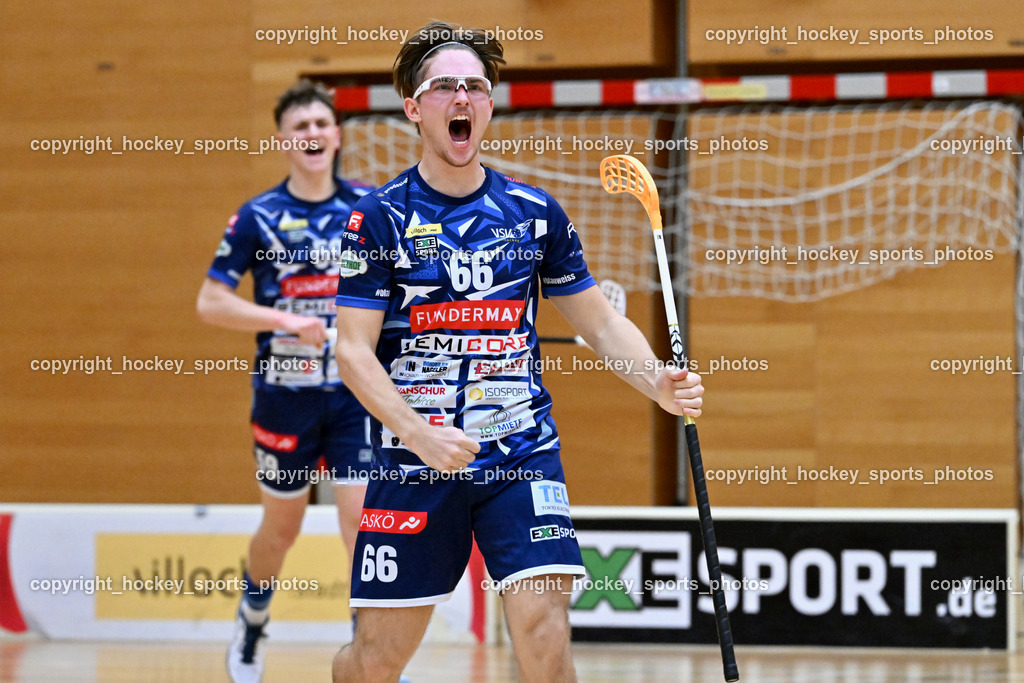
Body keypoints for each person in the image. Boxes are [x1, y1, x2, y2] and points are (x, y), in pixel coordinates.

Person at [331, 21, 704, 683]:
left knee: (543, 626)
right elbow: (353, 351)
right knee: (375, 659)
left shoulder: (534, 215)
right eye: (444, 86)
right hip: (415, 460)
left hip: (521, 455)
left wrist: (658, 383)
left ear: (490, 105)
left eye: (475, 86)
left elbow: (599, 323)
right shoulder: (379, 218)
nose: (462, 97)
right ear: (415, 108)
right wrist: (417, 434)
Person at [196, 79, 374, 683]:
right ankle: (251, 620)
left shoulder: (367, 210)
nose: (313, 135)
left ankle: (370, 652)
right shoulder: (258, 217)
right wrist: (283, 320)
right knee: (283, 526)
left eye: (322, 124)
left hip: (354, 397)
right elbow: (210, 303)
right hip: (284, 396)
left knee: (362, 522)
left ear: (338, 135)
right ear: (283, 140)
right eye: (301, 127)